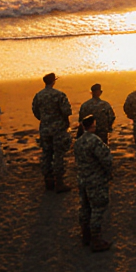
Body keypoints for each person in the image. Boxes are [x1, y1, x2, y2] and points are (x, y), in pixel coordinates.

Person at [74, 113, 113, 252]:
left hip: (82, 178)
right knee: (97, 208)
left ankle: (86, 235)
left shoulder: (78, 141)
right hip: (95, 179)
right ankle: (96, 240)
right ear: (92, 125)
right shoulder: (94, 140)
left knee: (85, 208)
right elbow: (106, 159)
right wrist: (109, 173)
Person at [31, 73, 73, 192]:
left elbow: (35, 111)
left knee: (47, 153)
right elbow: (66, 111)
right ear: (53, 81)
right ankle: (59, 182)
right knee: (58, 154)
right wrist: (65, 123)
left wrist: (45, 119)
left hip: (45, 128)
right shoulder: (59, 95)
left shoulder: (39, 95)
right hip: (58, 128)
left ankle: (48, 181)